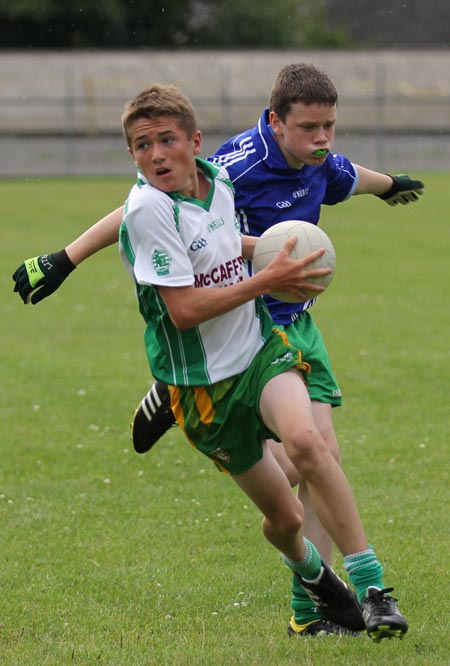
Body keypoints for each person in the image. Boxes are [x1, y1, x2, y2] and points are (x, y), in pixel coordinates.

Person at [12, 65, 422, 640]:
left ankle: (363, 593)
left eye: (330, 126)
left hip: (270, 333)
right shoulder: (222, 171)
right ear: (276, 123)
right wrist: (65, 256)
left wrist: (391, 186)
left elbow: (348, 177)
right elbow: (137, 217)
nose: (323, 138)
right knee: (286, 502)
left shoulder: (243, 172)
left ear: (193, 142)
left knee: (313, 448)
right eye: (311, 128)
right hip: (230, 324)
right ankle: (178, 394)